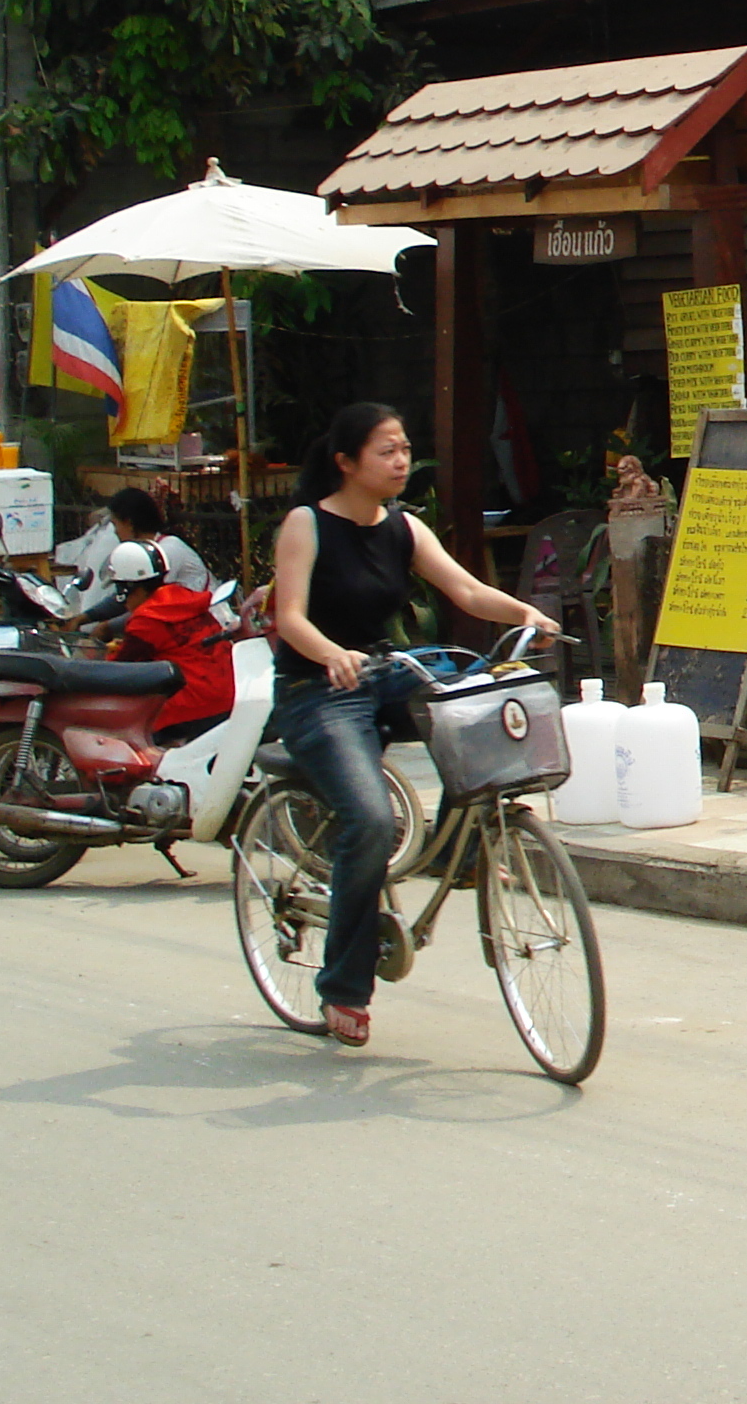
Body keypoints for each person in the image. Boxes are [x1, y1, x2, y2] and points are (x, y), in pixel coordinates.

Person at [268, 401, 557, 1049]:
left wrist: (527, 615)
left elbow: (469, 592)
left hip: (384, 674)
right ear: (346, 462)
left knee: (475, 707)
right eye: (386, 451)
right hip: (319, 690)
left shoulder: (406, 528)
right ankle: (343, 987)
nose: (401, 461)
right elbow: (290, 618)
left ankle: (464, 853)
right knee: (370, 821)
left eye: (403, 449)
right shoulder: (306, 524)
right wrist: (329, 652)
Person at [100, 538, 234, 744]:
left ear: (125, 588)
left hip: (191, 706)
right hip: (227, 696)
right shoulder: (186, 597)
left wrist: (101, 658)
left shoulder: (147, 620)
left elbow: (122, 668)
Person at [70, 488, 213, 629]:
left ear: (130, 523)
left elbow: (151, 608)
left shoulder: (167, 552)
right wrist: (83, 618)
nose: (115, 532)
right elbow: (126, 596)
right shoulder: (146, 553)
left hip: (200, 628)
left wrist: (107, 627)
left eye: (116, 524)